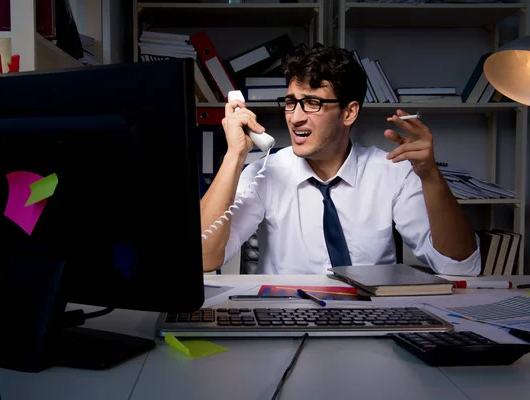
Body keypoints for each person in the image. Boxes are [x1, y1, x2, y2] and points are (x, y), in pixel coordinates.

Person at [200, 43, 481, 276]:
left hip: (373, 320)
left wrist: (430, 175)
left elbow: (461, 266)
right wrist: (234, 156)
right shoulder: (264, 173)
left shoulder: (391, 171)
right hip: (287, 316)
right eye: (290, 102)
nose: (295, 117)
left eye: (313, 103)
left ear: (349, 113)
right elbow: (202, 260)